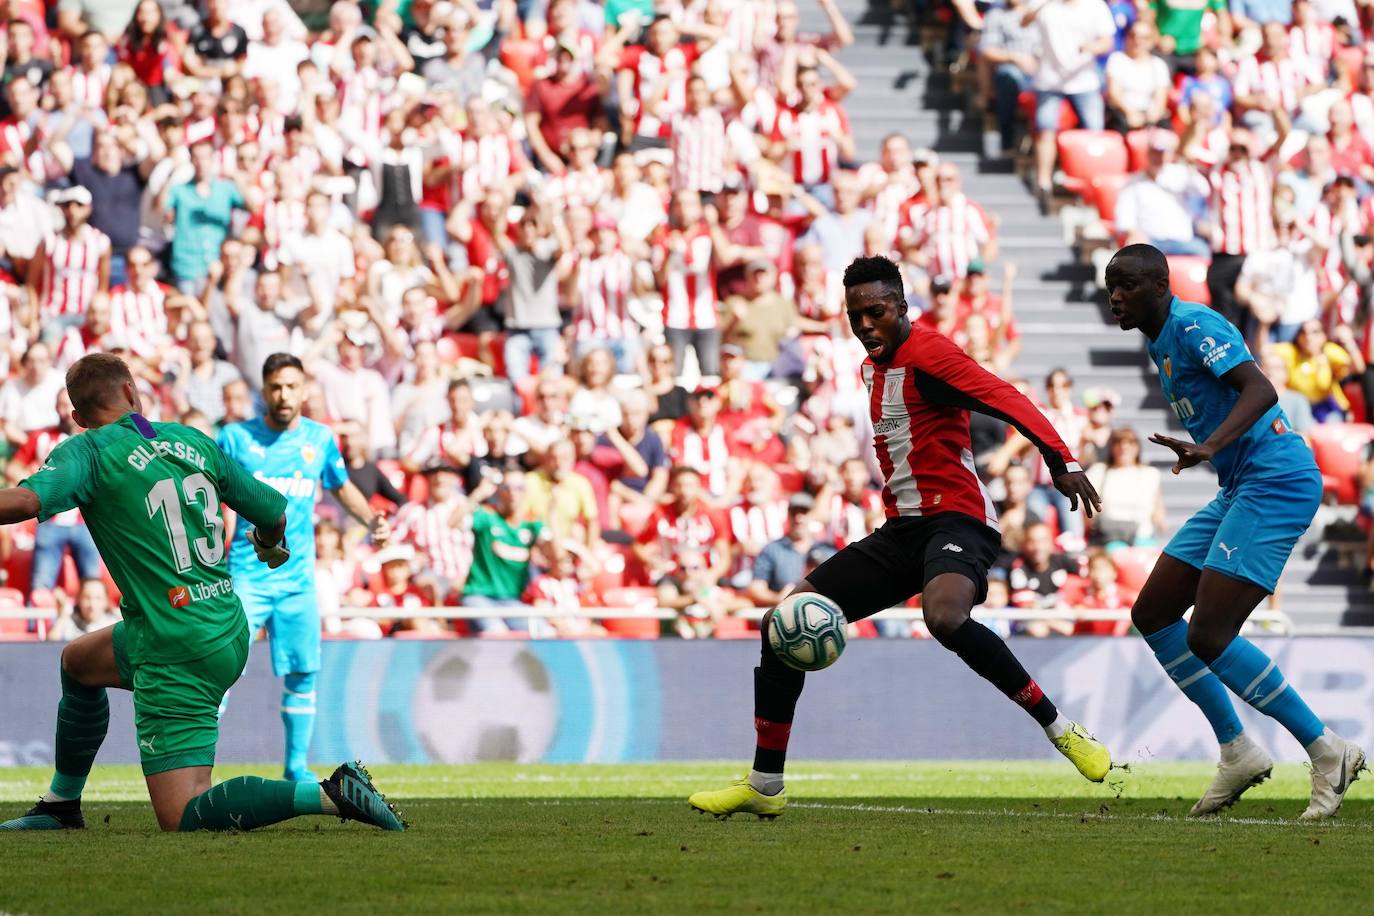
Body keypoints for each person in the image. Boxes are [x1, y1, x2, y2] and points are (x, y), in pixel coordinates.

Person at [688, 255, 1111, 820]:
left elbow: (1004, 397)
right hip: (903, 529)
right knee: (782, 621)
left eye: (877, 312)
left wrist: (1061, 459)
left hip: (960, 520)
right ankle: (765, 785)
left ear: (902, 308)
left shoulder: (932, 355)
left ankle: (1062, 730)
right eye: (855, 315)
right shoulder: (871, 367)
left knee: (945, 618)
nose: (866, 325)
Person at [0, 353, 402, 832]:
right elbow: (274, 512)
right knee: (80, 663)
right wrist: (269, 545)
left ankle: (331, 793)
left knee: (185, 813)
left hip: (176, 644)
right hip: (227, 623)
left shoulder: (86, 452)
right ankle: (61, 805)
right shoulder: (191, 439)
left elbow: (25, 501)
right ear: (133, 392)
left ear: (78, 417)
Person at [1104, 243, 1363, 820]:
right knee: (1152, 613)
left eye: (1124, 284)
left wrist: (1211, 446)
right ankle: (1238, 748)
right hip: (1239, 487)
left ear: (1158, 284)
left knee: (1209, 636)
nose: (1114, 296)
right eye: (1108, 286)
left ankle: (1328, 750)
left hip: (1276, 480)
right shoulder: (1157, 339)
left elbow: (1261, 389)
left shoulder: (1195, 323)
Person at [218, 354, 391, 782]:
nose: (283, 395)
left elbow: (341, 486)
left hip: (297, 581)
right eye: (276, 386)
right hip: (247, 575)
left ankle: (296, 767)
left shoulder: (320, 439)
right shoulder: (235, 439)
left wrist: (371, 520)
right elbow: (206, 491)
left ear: (305, 390)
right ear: (264, 390)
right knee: (218, 667)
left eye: (292, 386)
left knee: (303, 670)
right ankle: (194, 765)